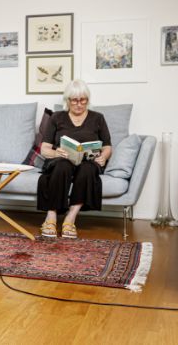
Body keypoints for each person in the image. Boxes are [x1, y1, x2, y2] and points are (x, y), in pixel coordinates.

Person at [37, 79, 112, 238]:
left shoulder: (98, 118)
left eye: (83, 100)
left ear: (87, 99)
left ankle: (70, 219)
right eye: (74, 100)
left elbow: (107, 146)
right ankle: (51, 217)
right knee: (62, 165)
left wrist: (103, 157)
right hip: (61, 160)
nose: (79, 104)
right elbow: (45, 148)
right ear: (67, 100)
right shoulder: (57, 117)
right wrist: (57, 153)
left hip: (88, 161)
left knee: (87, 169)